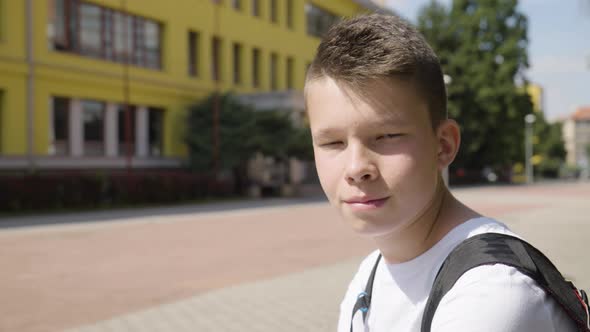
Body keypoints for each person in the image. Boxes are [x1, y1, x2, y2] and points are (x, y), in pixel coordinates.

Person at [303, 14, 577, 332]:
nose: (355, 169)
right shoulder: (370, 276)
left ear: (443, 145)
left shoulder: (491, 293)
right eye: (332, 142)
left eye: (387, 137)